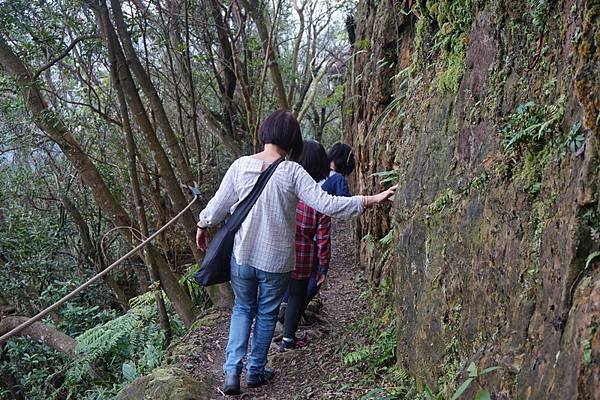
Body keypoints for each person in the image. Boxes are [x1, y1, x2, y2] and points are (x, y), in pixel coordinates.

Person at [195, 110, 396, 396]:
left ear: (264, 133)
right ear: (293, 141)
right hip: (276, 261)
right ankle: (255, 371)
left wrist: (202, 224)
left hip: (242, 256)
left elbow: (216, 208)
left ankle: (231, 372)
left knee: (242, 309)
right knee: (265, 314)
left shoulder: (240, 166)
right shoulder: (292, 171)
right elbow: (327, 204)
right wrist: (371, 199)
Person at [280, 140, 332, 351]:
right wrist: (323, 267)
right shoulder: (319, 200)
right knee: (297, 295)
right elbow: (323, 237)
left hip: (278, 250)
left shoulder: (284, 191)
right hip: (302, 256)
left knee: (271, 293)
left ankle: (260, 344)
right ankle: (288, 339)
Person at [303, 143, 356, 308]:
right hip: (316, 228)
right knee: (316, 275)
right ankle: (294, 310)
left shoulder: (315, 174)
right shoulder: (338, 178)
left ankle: (287, 310)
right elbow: (344, 204)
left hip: (301, 225)